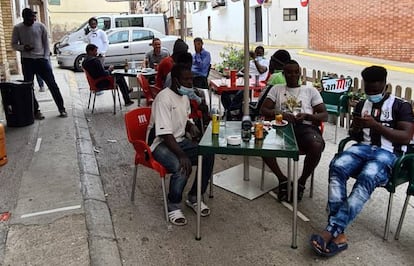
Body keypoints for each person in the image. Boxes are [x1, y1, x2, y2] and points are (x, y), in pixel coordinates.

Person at [310, 65, 414, 257]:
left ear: (385, 85)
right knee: (337, 165)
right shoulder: (361, 104)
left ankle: (330, 231)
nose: (371, 93)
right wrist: (356, 128)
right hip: (363, 148)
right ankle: (338, 232)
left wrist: (377, 126)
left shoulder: (401, 105)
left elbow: (406, 137)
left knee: (368, 176)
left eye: (376, 90)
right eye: (368, 89)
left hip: (388, 153)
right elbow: (354, 135)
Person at [148, 63, 214, 226]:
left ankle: (194, 197)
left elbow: (182, 121)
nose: (190, 82)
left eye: (191, 78)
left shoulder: (185, 97)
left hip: (177, 140)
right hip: (159, 143)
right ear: (176, 81)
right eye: (186, 79)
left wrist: (191, 127)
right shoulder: (164, 98)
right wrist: (182, 154)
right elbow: (164, 133)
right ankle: (173, 205)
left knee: (208, 154)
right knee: (181, 165)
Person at [260, 60, 328, 202]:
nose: (292, 75)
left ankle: (301, 182)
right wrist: (282, 114)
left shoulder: (310, 90)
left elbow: (324, 115)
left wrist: (307, 116)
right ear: (284, 74)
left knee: (316, 145)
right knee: (262, 143)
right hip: (281, 127)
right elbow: (264, 109)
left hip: (306, 127)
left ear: (299, 73)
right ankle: (282, 179)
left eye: (295, 72)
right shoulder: (277, 89)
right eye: (289, 72)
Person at [12, 8, 67, 119]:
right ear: (24, 18)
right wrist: (23, 47)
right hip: (27, 60)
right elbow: (14, 44)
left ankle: (62, 108)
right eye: (29, 18)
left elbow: (46, 44)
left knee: (52, 84)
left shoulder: (40, 26)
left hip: (41, 60)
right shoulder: (18, 28)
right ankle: (36, 111)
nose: (32, 20)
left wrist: (46, 58)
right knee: (28, 87)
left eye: (33, 17)